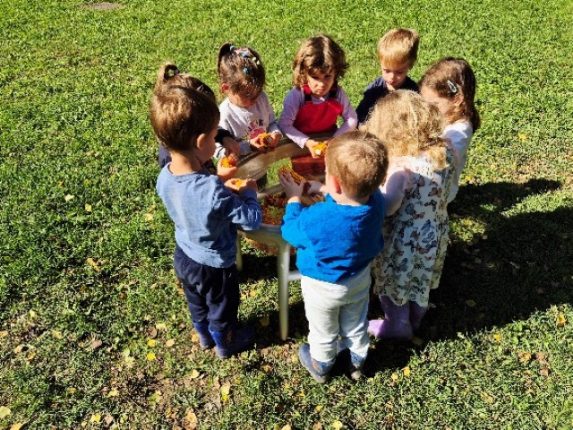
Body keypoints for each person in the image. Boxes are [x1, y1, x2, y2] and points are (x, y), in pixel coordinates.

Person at [150, 63, 262, 358]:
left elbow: (193, 197)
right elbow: (251, 221)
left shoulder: (164, 177)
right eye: (214, 137)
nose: (216, 141)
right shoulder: (212, 190)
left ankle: (203, 334)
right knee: (222, 306)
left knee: (197, 302)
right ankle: (226, 341)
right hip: (215, 264)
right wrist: (249, 193)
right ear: (201, 142)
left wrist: (220, 183)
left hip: (184, 255)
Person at [280, 130, 389, 382]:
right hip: (359, 277)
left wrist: (293, 198)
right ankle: (356, 360)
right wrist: (323, 188)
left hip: (323, 286)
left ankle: (322, 364)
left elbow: (291, 232)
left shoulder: (320, 218)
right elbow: (352, 199)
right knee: (356, 321)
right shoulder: (377, 201)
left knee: (323, 329)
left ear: (337, 184)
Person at [364, 90, 454, 340]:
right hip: (432, 232)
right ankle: (415, 317)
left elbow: (389, 207)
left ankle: (397, 324)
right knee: (419, 278)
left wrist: (372, 196)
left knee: (396, 280)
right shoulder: (444, 153)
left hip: (403, 239)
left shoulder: (400, 167)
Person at [278, 34, 357, 175]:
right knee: (304, 179)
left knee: (330, 175)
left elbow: (351, 119)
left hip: (329, 144)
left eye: (327, 77)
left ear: (336, 73)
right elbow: (285, 125)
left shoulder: (337, 94)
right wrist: (307, 142)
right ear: (304, 73)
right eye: (315, 77)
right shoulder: (298, 95)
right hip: (301, 147)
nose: (321, 84)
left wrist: (335, 139)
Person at [420, 57, 481, 202]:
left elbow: (441, 160)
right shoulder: (440, 116)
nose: (428, 110)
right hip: (425, 177)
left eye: (434, 104)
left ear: (457, 99)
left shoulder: (461, 130)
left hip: (438, 191)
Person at [216, 43, 282, 160]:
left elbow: (271, 122)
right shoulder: (224, 115)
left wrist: (275, 133)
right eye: (248, 95)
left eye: (258, 93)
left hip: (264, 159)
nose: (255, 100)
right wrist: (249, 146)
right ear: (226, 88)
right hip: (243, 166)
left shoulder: (261, 98)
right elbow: (220, 151)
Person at [355, 28, 420, 125]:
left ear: (410, 65)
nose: (392, 77)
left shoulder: (413, 92)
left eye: (399, 72)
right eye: (387, 71)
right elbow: (359, 118)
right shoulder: (374, 90)